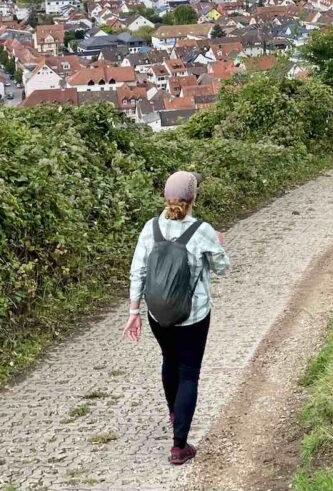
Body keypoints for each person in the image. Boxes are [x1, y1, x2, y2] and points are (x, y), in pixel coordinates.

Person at [122, 170, 230, 466]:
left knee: (169, 360)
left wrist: (134, 312)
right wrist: (219, 243)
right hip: (193, 316)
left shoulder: (150, 227)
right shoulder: (202, 230)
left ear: (166, 198)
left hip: (158, 314)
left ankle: (174, 412)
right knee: (188, 372)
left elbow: (138, 271)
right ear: (193, 198)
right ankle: (179, 446)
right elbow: (222, 268)